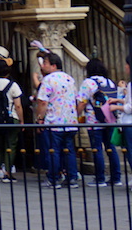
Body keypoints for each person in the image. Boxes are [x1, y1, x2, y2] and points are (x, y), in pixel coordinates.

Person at [34, 51, 80, 189]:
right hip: (70, 120)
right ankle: (72, 178)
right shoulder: (69, 78)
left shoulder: (48, 80)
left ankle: (54, 178)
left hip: (55, 121)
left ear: (53, 65)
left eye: (46, 63)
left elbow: (42, 102)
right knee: (69, 150)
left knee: (54, 151)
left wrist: (40, 118)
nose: (43, 65)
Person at [76, 57, 122, 187]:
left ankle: (100, 178)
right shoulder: (110, 82)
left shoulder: (88, 83)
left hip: (94, 120)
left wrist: (76, 116)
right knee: (111, 148)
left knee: (97, 149)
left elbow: (82, 102)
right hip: (110, 120)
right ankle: (116, 177)